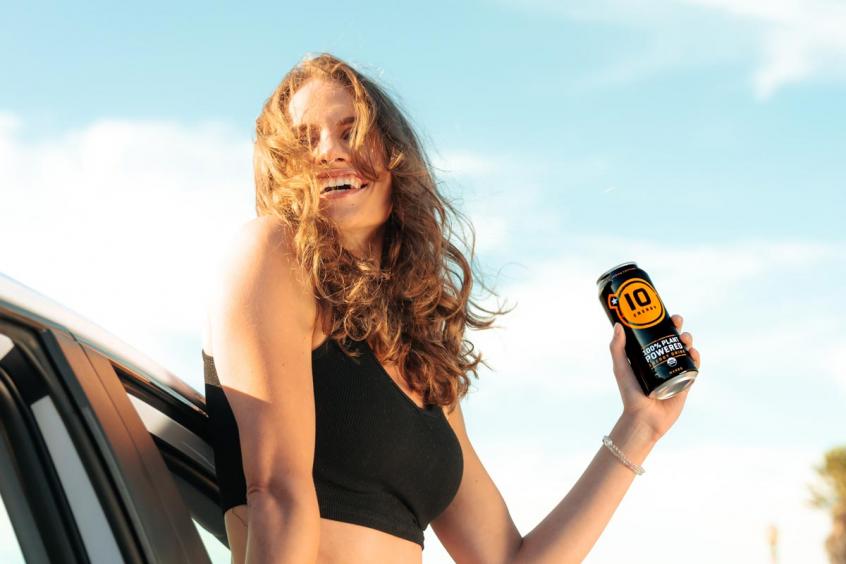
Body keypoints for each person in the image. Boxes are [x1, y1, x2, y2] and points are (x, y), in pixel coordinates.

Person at [201, 52, 702, 564]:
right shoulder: (270, 252)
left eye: (350, 131)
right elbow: (278, 498)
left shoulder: (421, 357)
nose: (328, 151)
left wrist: (640, 427)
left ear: (394, 155)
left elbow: (508, 560)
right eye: (306, 140)